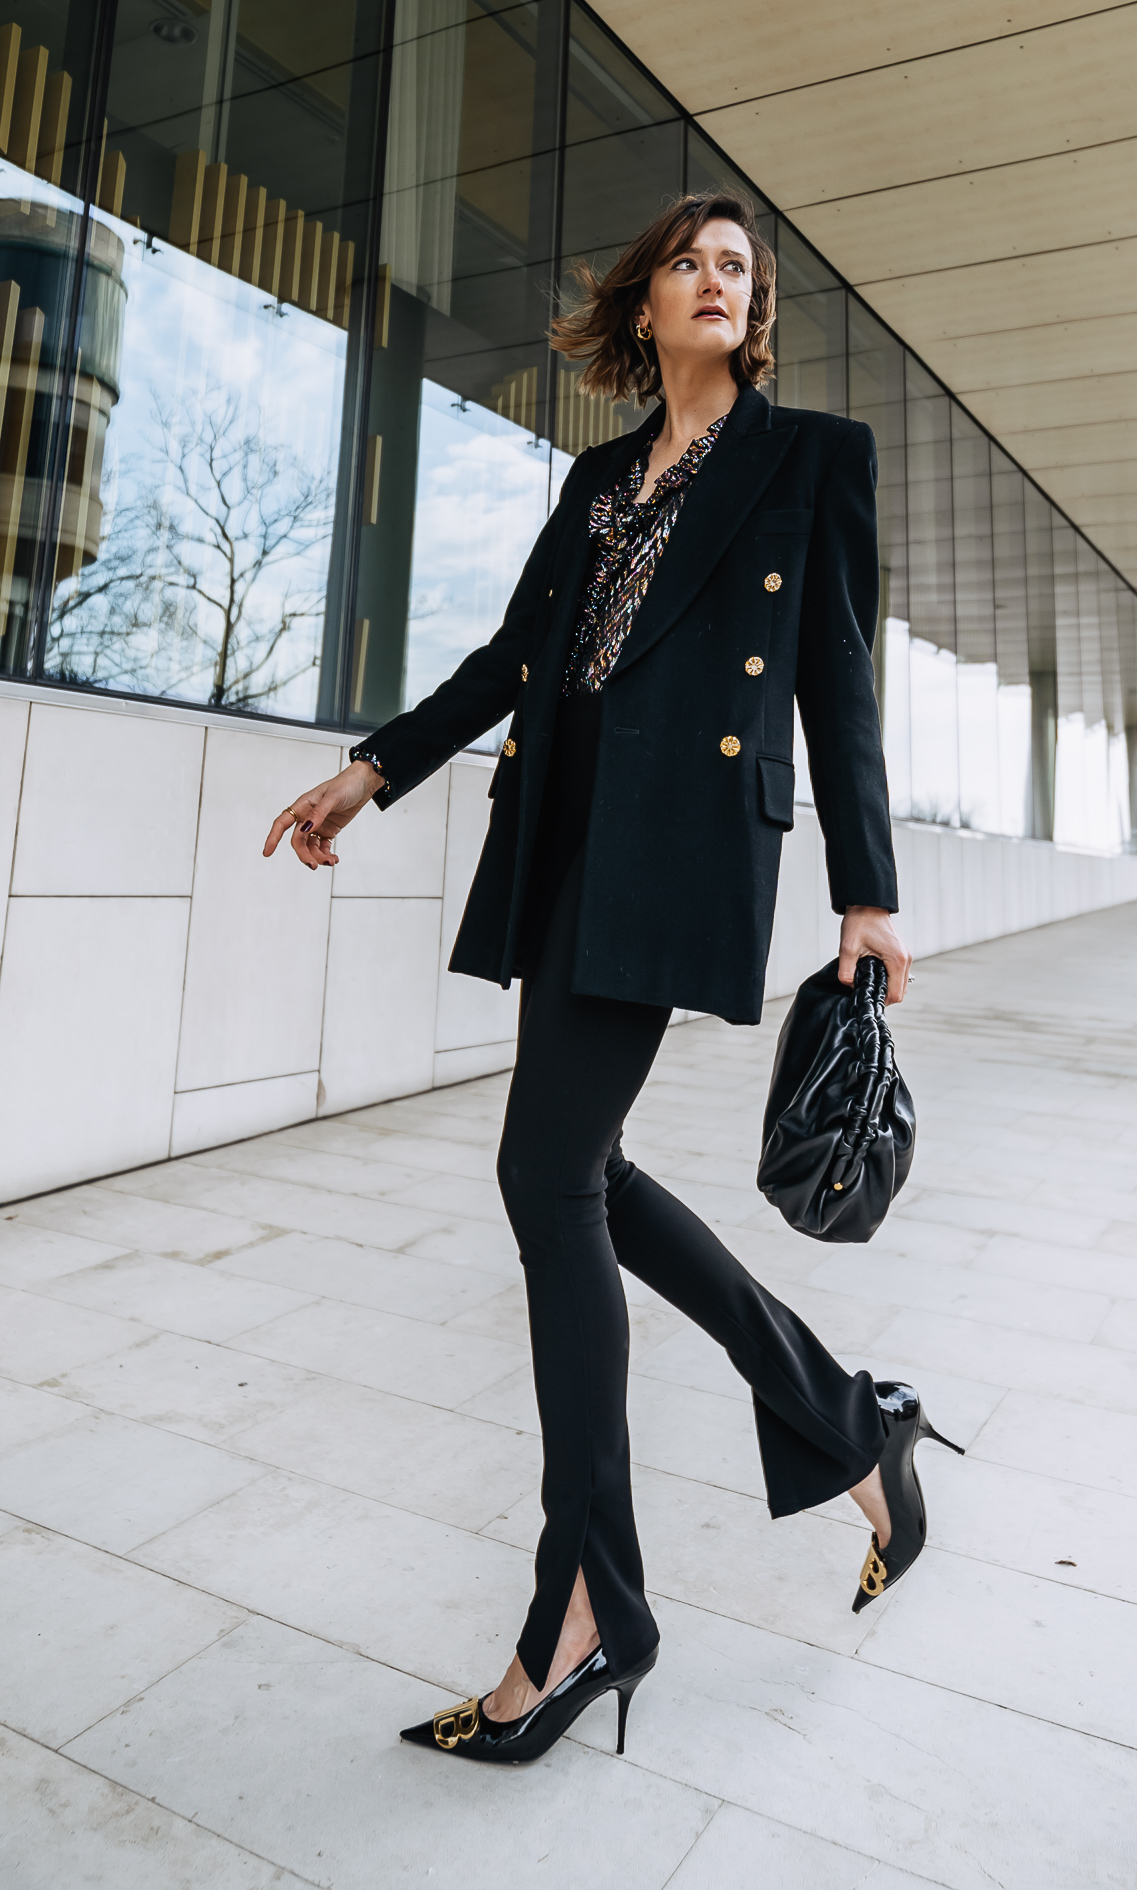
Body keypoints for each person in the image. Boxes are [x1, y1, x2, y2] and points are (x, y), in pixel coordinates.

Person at [264, 191, 959, 1766]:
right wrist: (374, 765)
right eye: (689, 262)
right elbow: (519, 657)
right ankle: (853, 1422)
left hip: (682, 853)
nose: (716, 280)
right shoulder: (594, 482)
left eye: (740, 268)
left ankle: (581, 1602)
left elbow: (840, 677)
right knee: (580, 1171)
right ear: (643, 306)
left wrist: (869, 891)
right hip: (562, 839)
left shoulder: (810, 460)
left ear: (751, 313)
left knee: (544, 1172)